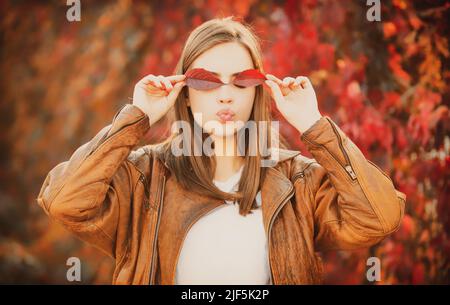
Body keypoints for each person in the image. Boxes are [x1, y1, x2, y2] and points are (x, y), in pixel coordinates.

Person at [36, 16, 406, 285]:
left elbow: (379, 216)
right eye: (207, 81)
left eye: (241, 81)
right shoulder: (143, 177)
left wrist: (314, 125)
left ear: (258, 90)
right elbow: (65, 201)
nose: (226, 94)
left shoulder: (297, 180)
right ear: (185, 88)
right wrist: (135, 119)